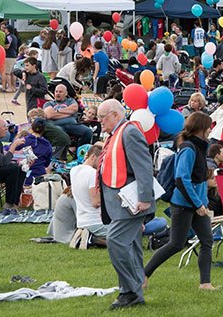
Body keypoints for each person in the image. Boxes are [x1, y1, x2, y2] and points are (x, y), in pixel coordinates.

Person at [145, 112, 217, 290]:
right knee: (176, 244)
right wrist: (197, 204)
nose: (210, 129)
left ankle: (205, 283)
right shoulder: (188, 148)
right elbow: (181, 179)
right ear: (201, 128)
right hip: (184, 204)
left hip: (198, 203)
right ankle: (143, 274)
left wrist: (203, 202)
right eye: (208, 126)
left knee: (207, 240)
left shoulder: (199, 147)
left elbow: (198, 180)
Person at [97, 99, 155, 309]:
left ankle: (130, 289)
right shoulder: (116, 134)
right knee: (130, 247)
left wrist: (144, 198)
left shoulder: (129, 132)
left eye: (103, 117)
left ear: (114, 115)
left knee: (116, 241)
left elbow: (144, 167)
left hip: (131, 203)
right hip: (120, 203)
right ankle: (132, 293)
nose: (99, 121)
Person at [69, 143, 107, 245]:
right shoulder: (92, 173)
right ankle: (92, 239)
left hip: (82, 220)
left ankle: (90, 238)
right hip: (95, 221)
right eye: (101, 160)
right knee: (130, 233)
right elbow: (96, 202)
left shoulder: (74, 170)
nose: (103, 164)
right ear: (93, 157)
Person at [16, 119, 54, 184]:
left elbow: (9, 150)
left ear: (32, 128)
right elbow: (47, 163)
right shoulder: (47, 145)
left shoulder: (23, 141)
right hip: (39, 176)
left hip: (21, 175)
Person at [3, 24, 19, 92]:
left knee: (7, 72)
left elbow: (7, 46)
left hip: (8, 56)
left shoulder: (9, 37)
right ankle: (14, 86)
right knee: (13, 73)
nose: (4, 30)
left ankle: (9, 87)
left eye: (5, 29)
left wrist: (2, 46)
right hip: (14, 56)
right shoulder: (15, 37)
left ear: (8, 30)